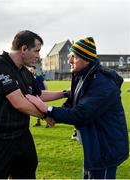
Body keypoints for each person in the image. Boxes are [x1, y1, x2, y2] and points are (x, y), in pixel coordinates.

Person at [26, 37, 129, 179]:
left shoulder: (103, 83)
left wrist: (46, 109)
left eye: (73, 57)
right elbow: (72, 103)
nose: (69, 61)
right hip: (94, 145)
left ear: (86, 59)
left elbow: (80, 113)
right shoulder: (82, 76)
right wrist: (51, 115)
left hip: (105, 148)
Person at [0, 30, 69, 179]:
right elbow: (19, 102)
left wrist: (65, 93)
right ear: (24, 48)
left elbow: (38, 95)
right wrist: (46, 115)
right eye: (36, 51)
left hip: (22, 137)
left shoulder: (25, 73)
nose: (38, 56)